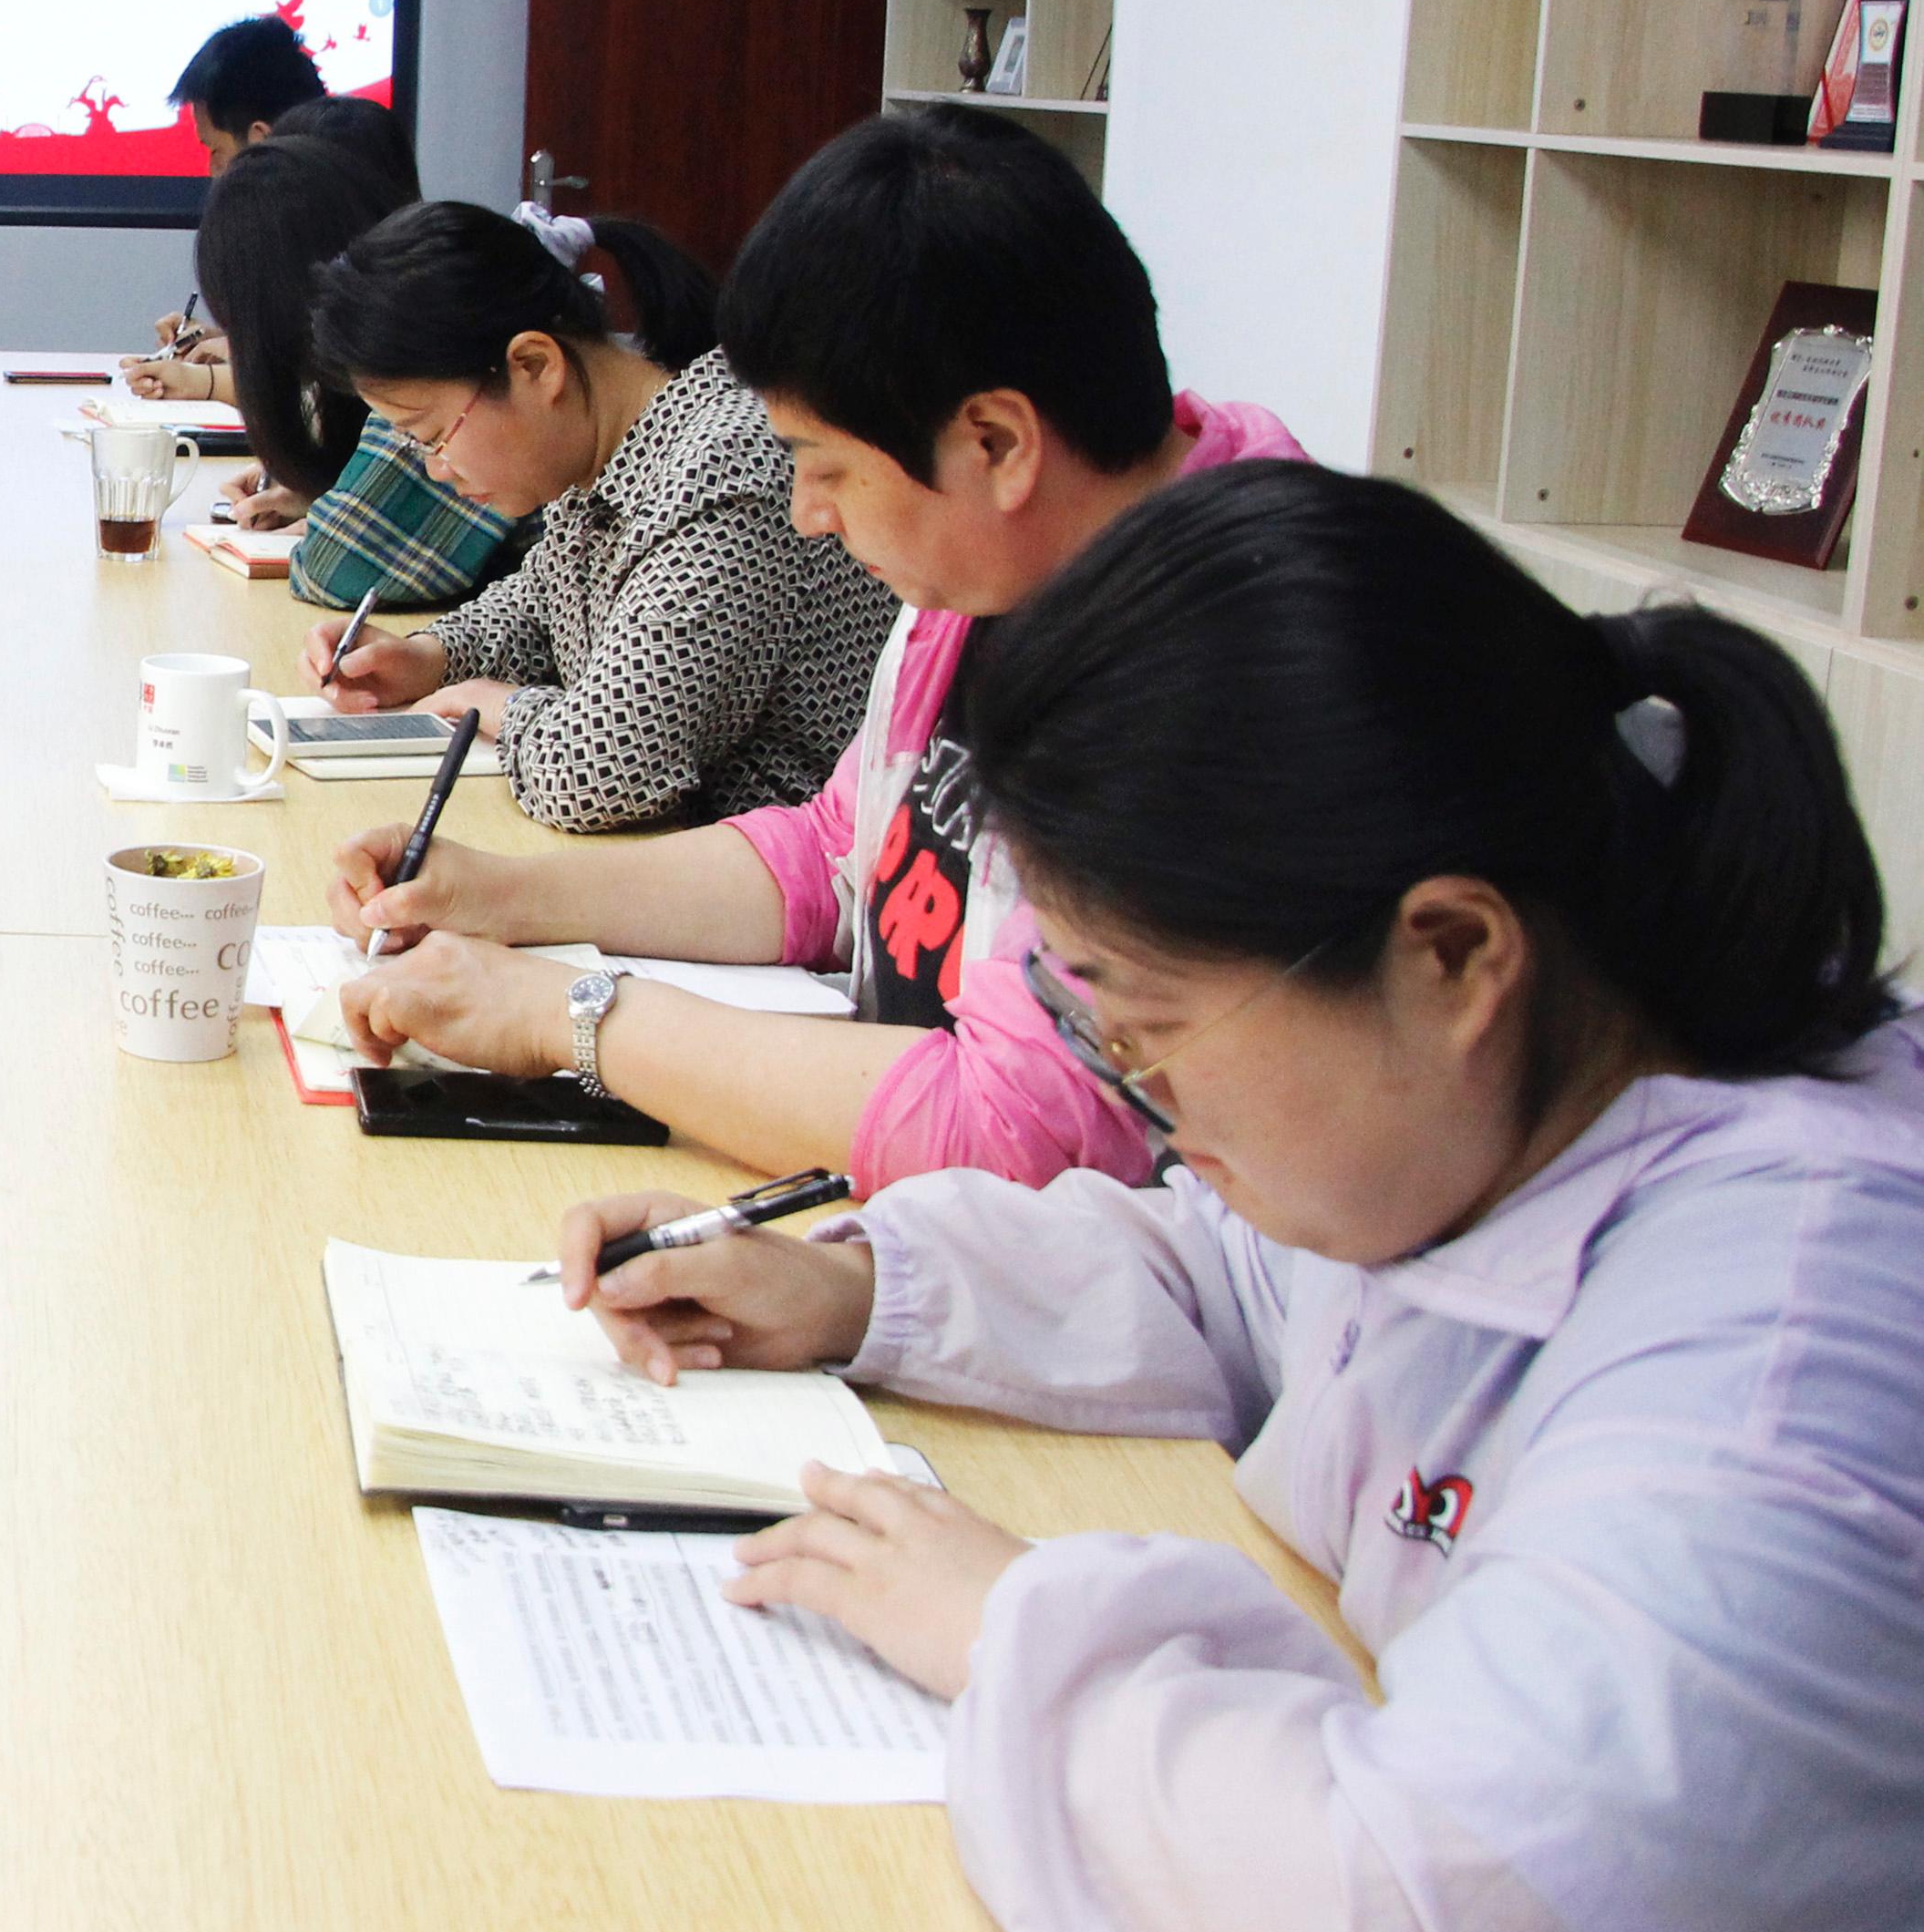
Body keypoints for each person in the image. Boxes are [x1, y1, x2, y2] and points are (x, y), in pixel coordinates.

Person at [556, 461, 1924, 1932]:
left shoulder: (1783, 1363)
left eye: (1146, 1031)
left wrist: (1016, 1628)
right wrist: (854, 1288)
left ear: (1449, 957)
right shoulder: (1510, 1097)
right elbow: (1233, 1272)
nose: (1142, 1102)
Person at [326, 105, 1307, 1185]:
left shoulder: (1228, 659)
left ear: (994, 444)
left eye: (825, 468)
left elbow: (1014, 1128)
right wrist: (500, 896)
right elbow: (837, 856)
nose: (805, 514)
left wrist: (569, 1017)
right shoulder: (992, 563)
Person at [298, 198, 890, 830]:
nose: (435, 469)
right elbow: (545, 602)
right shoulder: (608, 452)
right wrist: (431, 656)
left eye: (432, 435)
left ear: (535, 365)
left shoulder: (724, 476)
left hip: (785, 869)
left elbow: (603, 775)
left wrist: (499, 706)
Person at [187, 130, 523, 612]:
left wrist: (336, 513)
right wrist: (324, 495)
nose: (437, 464)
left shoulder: (424, 347)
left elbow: (337, 568)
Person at [128, 13, 400, 393]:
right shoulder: (342, 177)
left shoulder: (325, 220)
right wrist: (232, 346)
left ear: (260, 139)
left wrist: (207, 381)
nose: (213, 170)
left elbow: (337, 394)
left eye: (214, 148)